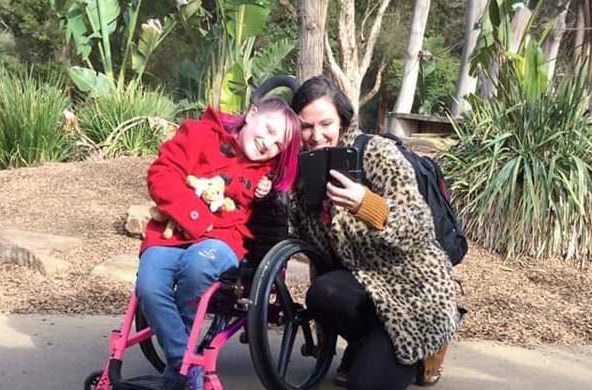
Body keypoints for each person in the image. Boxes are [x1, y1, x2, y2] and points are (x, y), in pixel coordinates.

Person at [289, 75, 461, 390]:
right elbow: (297, 240)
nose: (316, 135)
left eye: (325, 123)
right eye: (306, 126)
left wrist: (367, 204)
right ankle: (368, 344)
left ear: (341, 120)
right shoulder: (304, 172)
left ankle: (425, 350)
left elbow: (418, 226)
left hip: (413, 292)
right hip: (361, 289)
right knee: (323, 294)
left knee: (363, 386)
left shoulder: (375, 153)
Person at [135, 98, 301, 390]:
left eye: (278, 145)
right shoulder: (198, 134)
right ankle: (183, 362)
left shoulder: (267, 174)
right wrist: (198, 218)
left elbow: (276, 211)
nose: (269, 144)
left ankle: (180, 370)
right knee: (148, 286)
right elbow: (161, 175)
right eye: (269, 129)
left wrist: (267, 193)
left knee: (197, 265)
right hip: (170, 231)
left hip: (223, 239)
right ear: (252, 114)